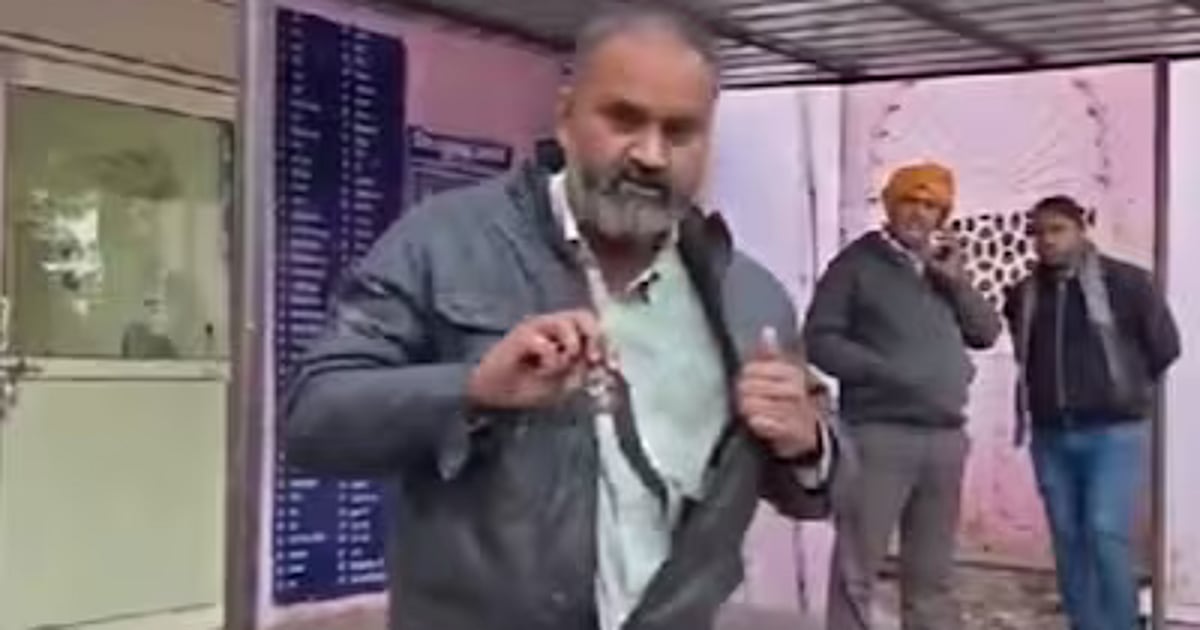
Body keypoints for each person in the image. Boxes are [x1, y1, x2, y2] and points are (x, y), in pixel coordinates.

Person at [284, 5, 840, 630]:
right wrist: (473, 389)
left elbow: (819, 486)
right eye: (623, 119)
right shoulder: (444, 241)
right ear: (566, 116)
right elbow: (312, 419)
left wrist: (807, 443)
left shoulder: (749, 298)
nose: (651, 155)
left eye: (680, 131)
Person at [805, 162, 1001, 630]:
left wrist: (955, 281)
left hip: (945, 438)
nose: (919, 213)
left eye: (931, 206)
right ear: (891, 206)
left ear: (943, 216)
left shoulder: (942, 269)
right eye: (910, 201)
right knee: (858, 570)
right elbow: (820, 339)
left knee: (932, 577)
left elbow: (986, 332)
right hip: (880, 435)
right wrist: (884, 372)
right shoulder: (856, 263)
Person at [1003, 196, 1180, 630]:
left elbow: (1164, 346)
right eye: (1039, 232)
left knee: (1105, 531)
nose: (1047, 241)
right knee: (1068, 538)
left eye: (1058, 230)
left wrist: (1121, 391)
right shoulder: (1025, 294)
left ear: (1082, 231)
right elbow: (1027, 355)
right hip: (1051, 434)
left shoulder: (1127, 283)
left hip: (1113, 432)